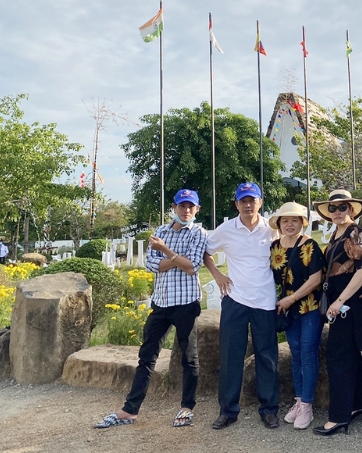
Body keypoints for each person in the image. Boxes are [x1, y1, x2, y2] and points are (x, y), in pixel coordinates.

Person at [95, 189, 207, 429]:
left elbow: (192, 266)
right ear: (174, 208)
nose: (186, 211)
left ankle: (187, 408)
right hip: (161, 302)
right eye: (182, 206)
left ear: (197, 209)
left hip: (186, 302)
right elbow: (152, 265)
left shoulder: (198, 233)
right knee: (147, 356)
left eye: (191, 207)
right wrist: (177, 258)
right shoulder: (160, 231)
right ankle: (130, 410)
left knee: (189, 357)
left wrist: (166, 251)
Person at [203, 182, 280, 430]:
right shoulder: (226, 229)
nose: (248, 205)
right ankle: (228, 410)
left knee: (267, 356)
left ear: (260, 202)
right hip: (235, 299)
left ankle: (269, 409)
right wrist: (217, 275)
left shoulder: (271, 229)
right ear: (236, 204)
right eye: (243, 200)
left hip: (265, 300)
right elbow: (207, 252)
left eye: (252, 200)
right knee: (230, 356)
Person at [311, 188, 362, 436]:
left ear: (351, 210)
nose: (337, 212)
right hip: (340, 300)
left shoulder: (354, 232)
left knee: (337, 357)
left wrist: (340, 300)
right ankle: (356, 405)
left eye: (343, 207)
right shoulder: (336, 235)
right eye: (333, 208)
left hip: (347, 302)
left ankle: (338, 417)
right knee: (348, 354)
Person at [268, 201, 325, 430]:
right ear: (279, 224)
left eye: (295, 220)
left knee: (308, 353)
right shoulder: (274, 248)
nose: (290, 224)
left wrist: (292, 298)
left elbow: (316, 279)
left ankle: (308, 406)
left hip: (308, 307)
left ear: (302, 222)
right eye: (285, 220)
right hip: (286, 310)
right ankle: (299, 400)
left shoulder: (310, 245)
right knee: (295, 353)